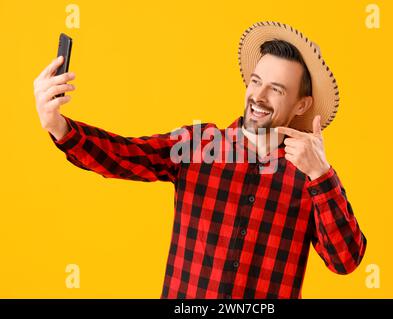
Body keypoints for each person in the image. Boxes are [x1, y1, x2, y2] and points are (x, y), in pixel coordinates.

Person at [33, 21, 366, 299]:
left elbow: (345, 260)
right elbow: (123, 154)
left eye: (276, 90)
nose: (258, 97)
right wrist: (59, 127)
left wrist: (321, 174)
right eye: (256, 82)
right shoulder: (196, 145)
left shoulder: (310, 178)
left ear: (301, 106)